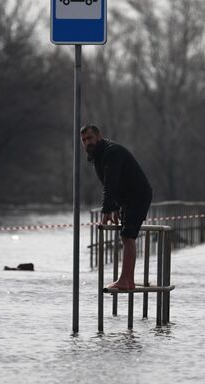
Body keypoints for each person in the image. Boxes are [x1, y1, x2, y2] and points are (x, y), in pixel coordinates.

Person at [80, 124, 152, 291]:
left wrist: (106, 210)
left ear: (98, 136)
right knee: (125, 236)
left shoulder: (112, 152)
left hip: (138, 195)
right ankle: (128, 280)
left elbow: (110, 184)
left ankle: (125, 280)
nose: (87, 143)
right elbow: (114, 183)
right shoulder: (97, 156)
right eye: (84, 140)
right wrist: (114, 208)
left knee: (128, 235)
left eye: (90, 138)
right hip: (126, 197)